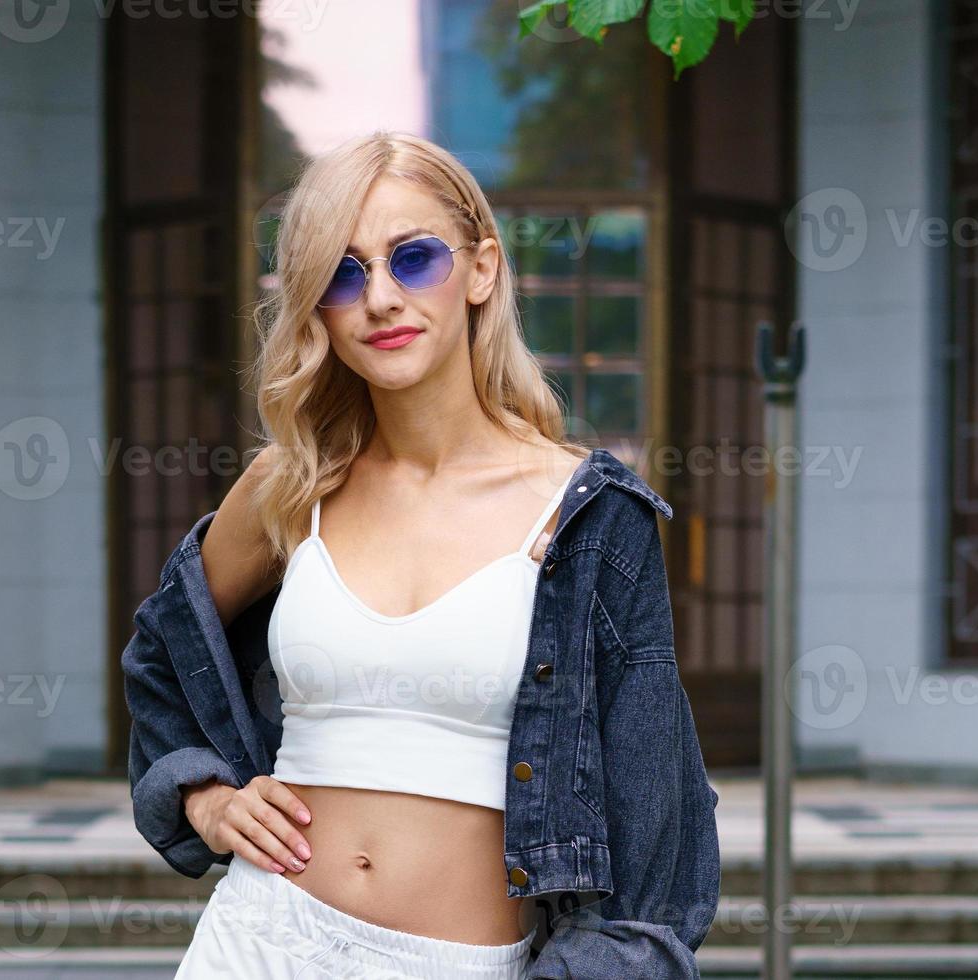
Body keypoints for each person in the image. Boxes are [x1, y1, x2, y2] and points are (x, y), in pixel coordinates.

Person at [123, 131, 720, 979]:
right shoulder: (292, 485)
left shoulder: (590, 519)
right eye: (343, 271)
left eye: (414, 258)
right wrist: (203, 793)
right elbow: (163, 647)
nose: (381, 298)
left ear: (481, 269)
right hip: (260, 940)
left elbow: (655, 840)